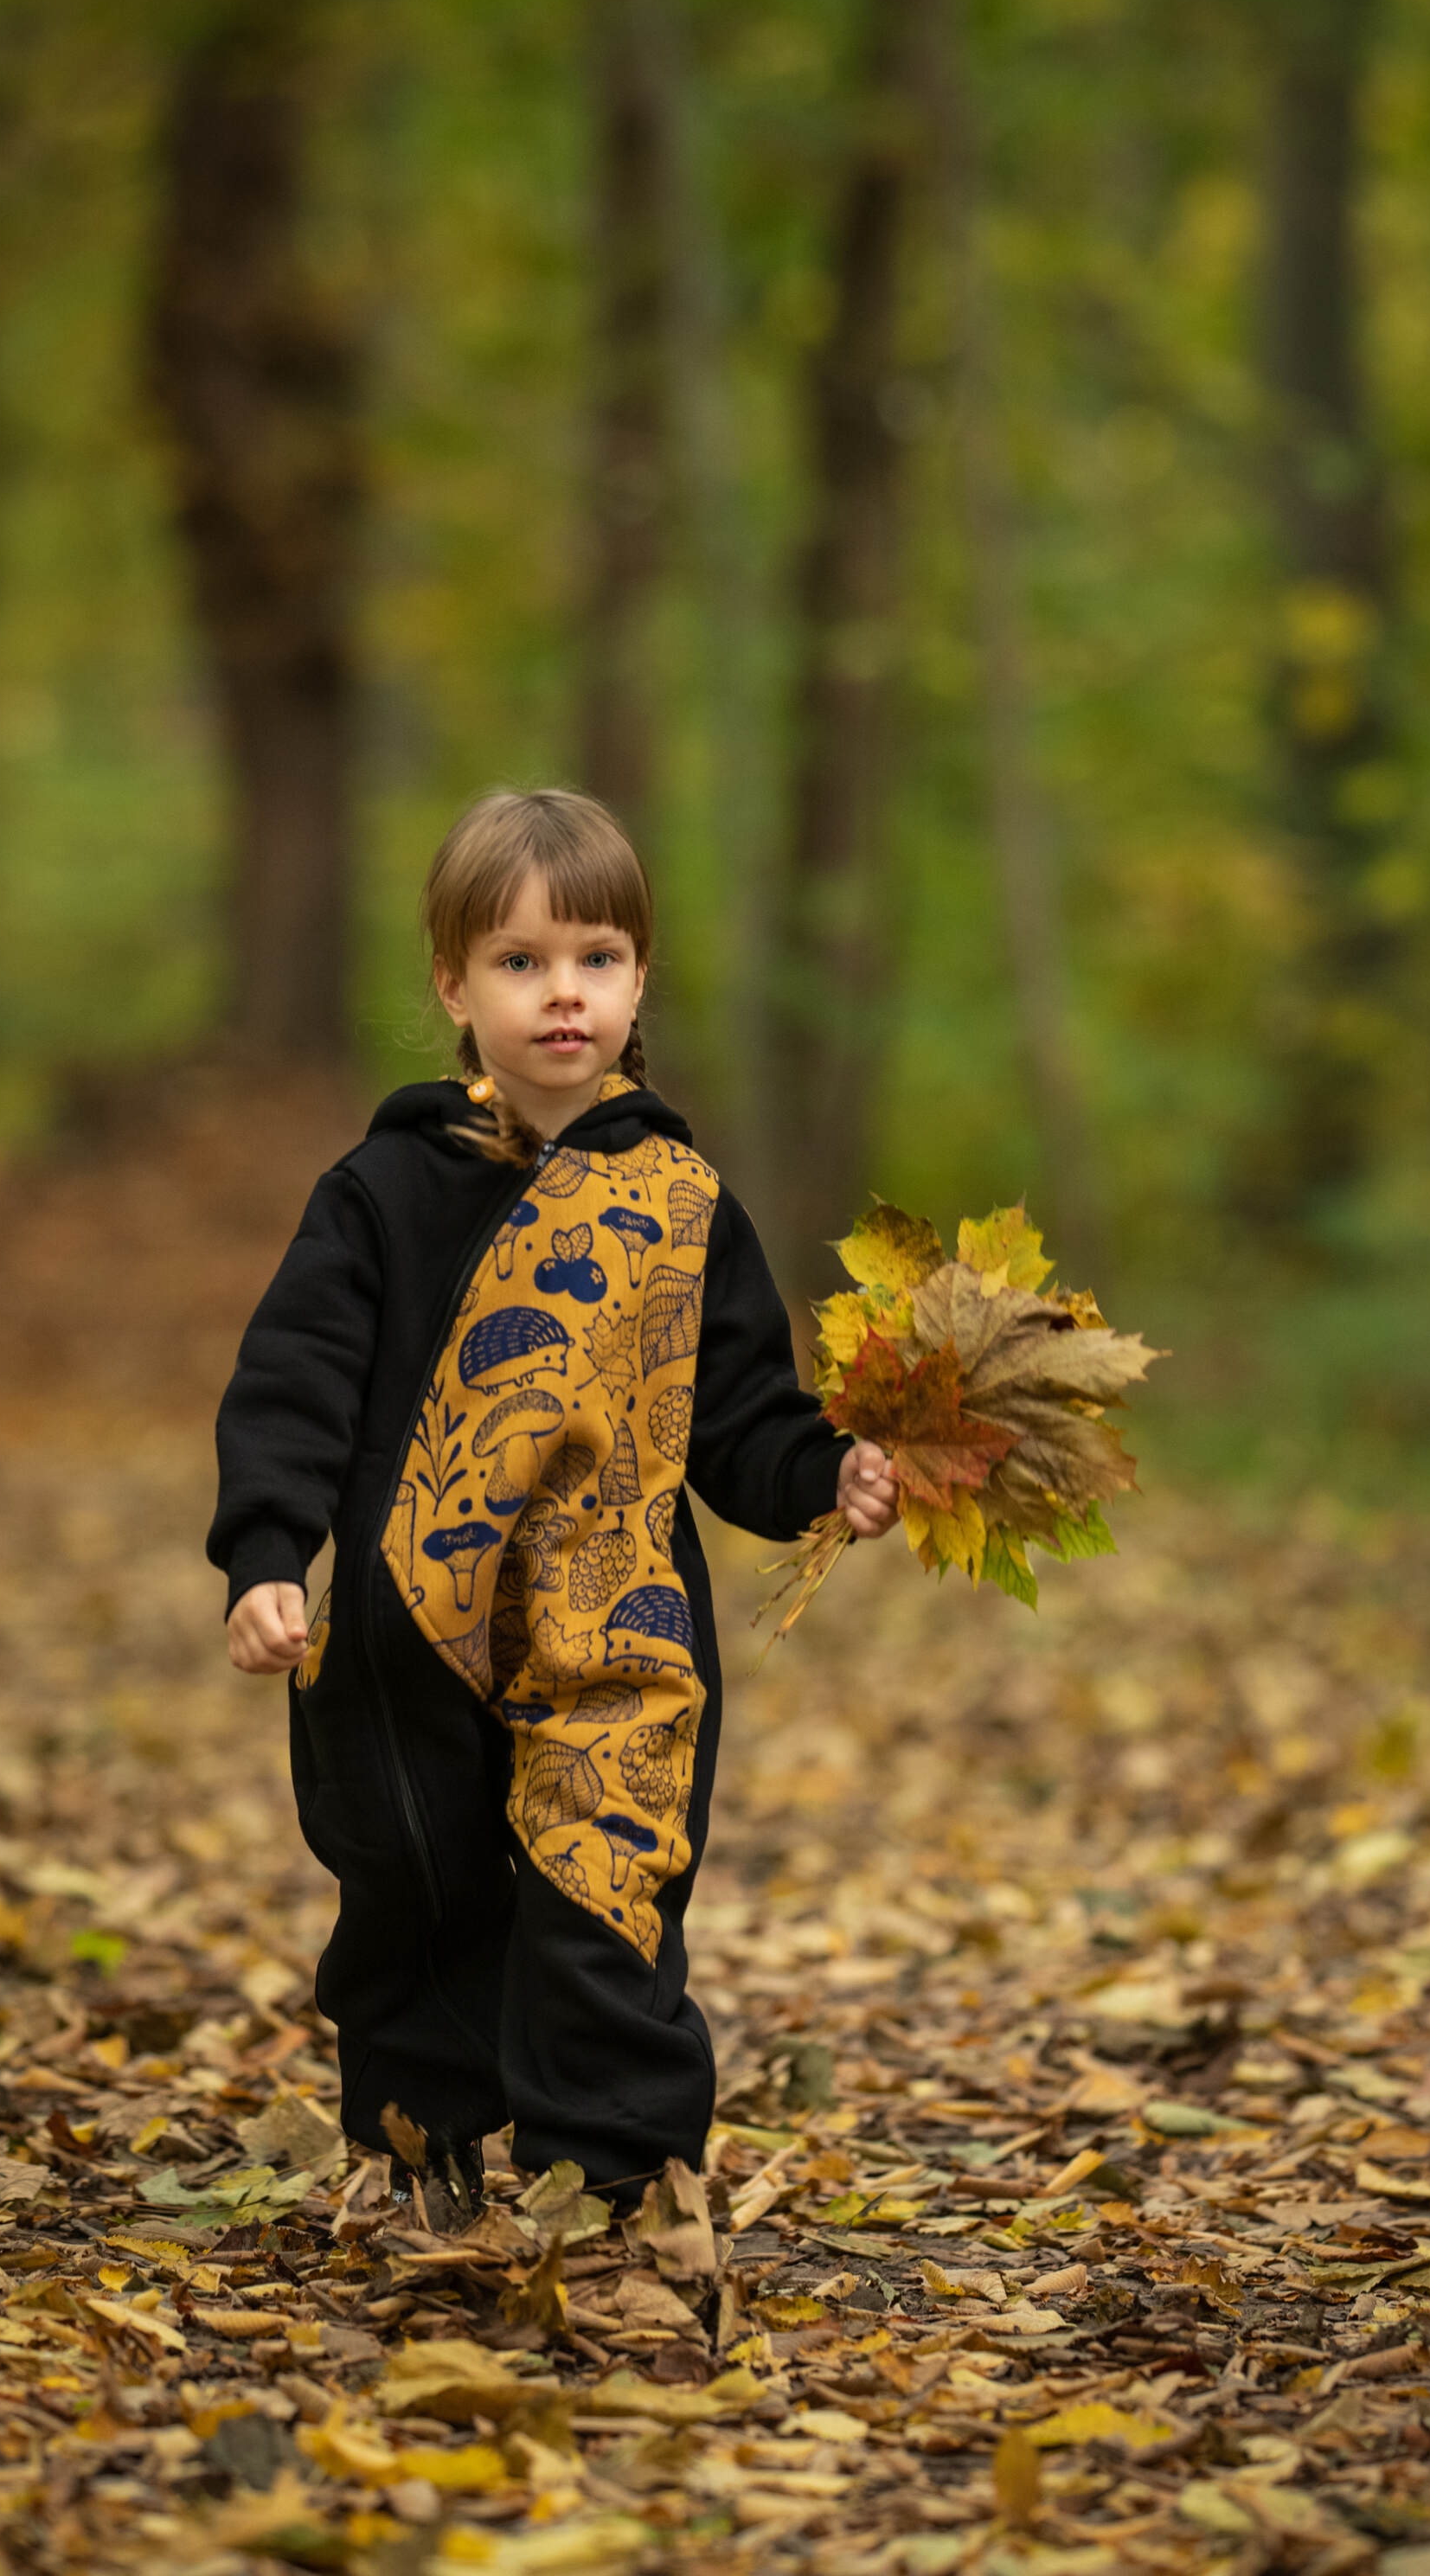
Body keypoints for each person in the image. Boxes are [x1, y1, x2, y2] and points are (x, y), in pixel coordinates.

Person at [208, 787, 900, 2225]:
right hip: (411, 1627)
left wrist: (825, 1470)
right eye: (518, 962)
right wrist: (268, 1548)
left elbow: (742, 1412)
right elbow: (298, 1374)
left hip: (622, 1618)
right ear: (454, 986)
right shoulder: (384, 1189)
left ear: (641, 978)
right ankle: (423, 2155)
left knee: (607, 1888)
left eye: (593, 957)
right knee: (420, 1890)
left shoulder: (684, 1202)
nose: (561, 993)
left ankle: (625, 2183)